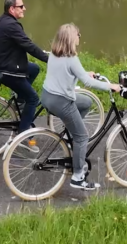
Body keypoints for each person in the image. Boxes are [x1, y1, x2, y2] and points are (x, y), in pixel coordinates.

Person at [41, 23, 121, 191]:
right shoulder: (71, 58)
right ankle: (78, 178)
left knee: (86, 102)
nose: (79, 38)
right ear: (71, 38)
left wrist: (85, 74)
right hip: (61, 101)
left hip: (48, 97)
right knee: (82, 137)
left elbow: (67, 75)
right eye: (78, 35)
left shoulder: (55, 54)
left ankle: (71, 135)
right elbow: (87, 82)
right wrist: (110, 86)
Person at [0, 0, 49, 134]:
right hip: (8, 70)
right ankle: (22, 136)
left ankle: (20, 102)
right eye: (21, 6)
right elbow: (29, 46)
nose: (24, 9)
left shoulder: (0, 20)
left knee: (34, 68)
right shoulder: (12, 26)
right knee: (33, 99)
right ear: (11, 9)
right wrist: (49, 59)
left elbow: (18, 44)